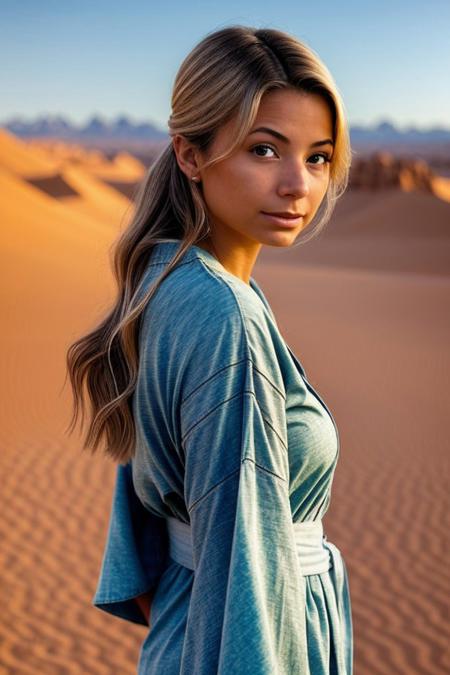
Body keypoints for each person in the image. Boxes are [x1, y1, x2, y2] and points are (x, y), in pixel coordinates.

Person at [65, 24, 353, 674]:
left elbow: (144, 522)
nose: (297, 186)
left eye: (316, 156)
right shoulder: (224, 314)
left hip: (189, 629)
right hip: (237, 644)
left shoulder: (165, 282)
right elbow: (247, 557)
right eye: (264, 149)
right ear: (190, 154)